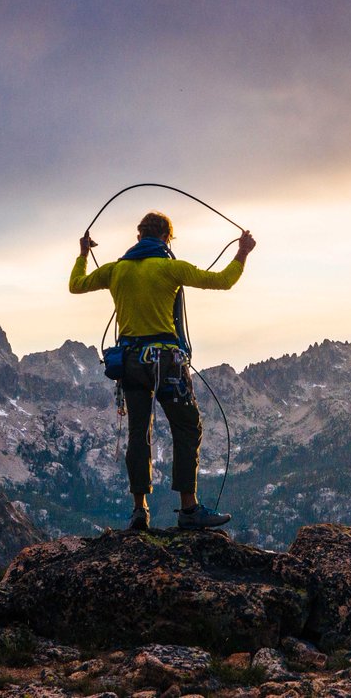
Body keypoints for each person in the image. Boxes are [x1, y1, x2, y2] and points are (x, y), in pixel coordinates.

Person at [69, 211, 256, 531]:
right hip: (167, 364)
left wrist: (84, 254)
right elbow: (223, 280)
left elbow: (76, 285)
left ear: (139, 237)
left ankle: (139, 510)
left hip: (129, 362)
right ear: (167, 238)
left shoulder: (116, 270)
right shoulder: (171, 268)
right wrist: (242, 251)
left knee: (138, 434)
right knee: (187, 426)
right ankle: (188, 509)